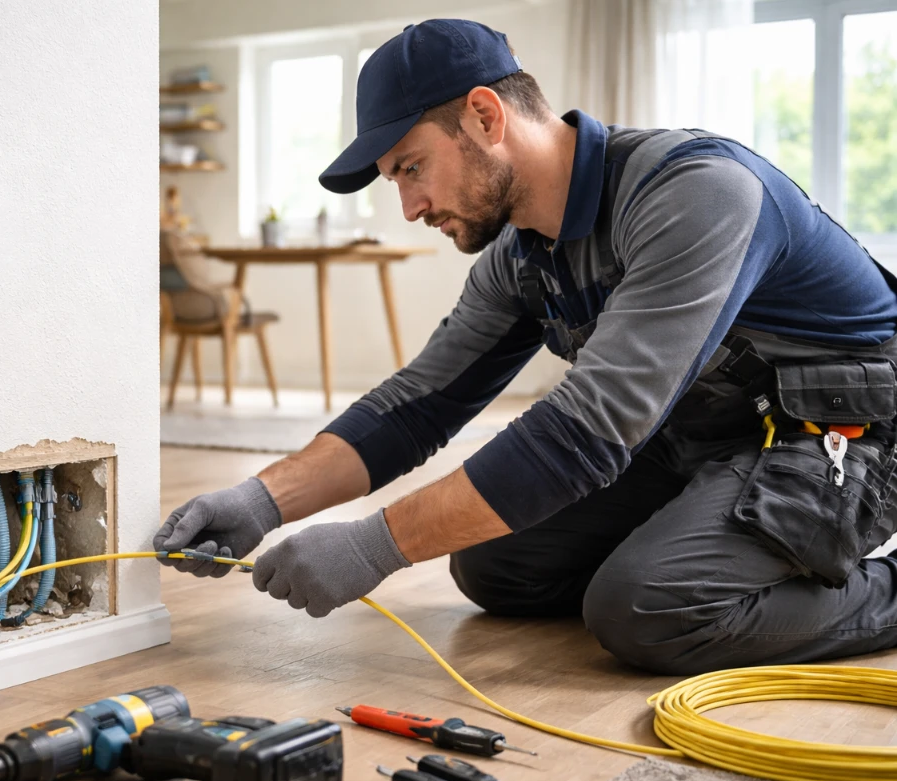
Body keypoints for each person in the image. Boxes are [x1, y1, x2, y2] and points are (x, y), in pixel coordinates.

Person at [154, 19, 897, 676]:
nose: (409, 206)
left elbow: (581, 435)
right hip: (701, 441)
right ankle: (710, 552)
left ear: (484, 116)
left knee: (642, 608)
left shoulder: (696, 193)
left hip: (839, 438)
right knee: (497, 566)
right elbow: (415, 406)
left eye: (410, 167)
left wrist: (373, 546)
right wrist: (259, 500)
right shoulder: (520, 257)